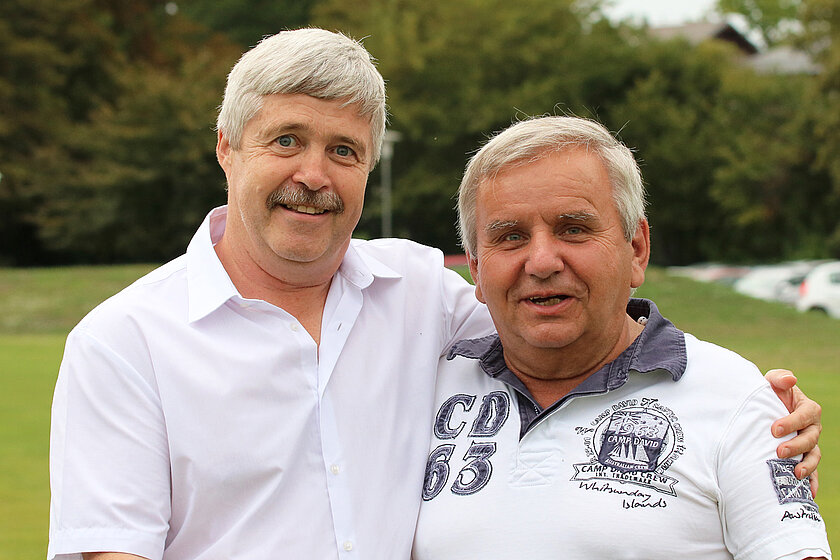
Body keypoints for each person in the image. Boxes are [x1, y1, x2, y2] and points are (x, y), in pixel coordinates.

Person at [48, 29, 821, 560]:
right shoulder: (125, 343)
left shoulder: (418, 294)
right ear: (227, 148)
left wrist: (754, 416)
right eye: (286, 140)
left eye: (343, 150)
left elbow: (578, 318)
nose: (313, 175)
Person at [412, 116, 831, 559]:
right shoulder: (423, 390)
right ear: (476, 269)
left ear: (636, 249)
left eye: (573, 229)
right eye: (510, 237)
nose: (541, 261)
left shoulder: (735, 398)